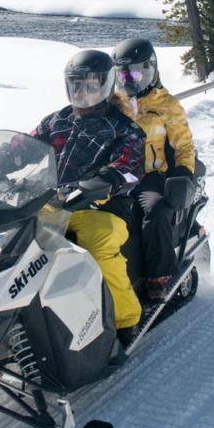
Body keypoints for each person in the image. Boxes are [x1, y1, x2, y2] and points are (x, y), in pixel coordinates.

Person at [30, 49, 146, 344]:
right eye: (76, 85)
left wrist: (107, 178)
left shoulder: (123, 127)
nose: (82, 92)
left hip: (102, 206)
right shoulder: (56, 121)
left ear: (105, 86)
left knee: (98, 245)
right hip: (55, 203)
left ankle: (125, 319)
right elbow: (26, 146)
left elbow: (130, 164)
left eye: (90, 85)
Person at [112, 37, 197, 301]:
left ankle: (159, 277)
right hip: (116, 175)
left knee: (155, 210)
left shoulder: (166, 105)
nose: (129, 80)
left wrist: (184, 173)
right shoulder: (112, 103)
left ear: (151, 69)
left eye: (136, 73)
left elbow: (184, 144)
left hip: (149, 175)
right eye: (123, 74)